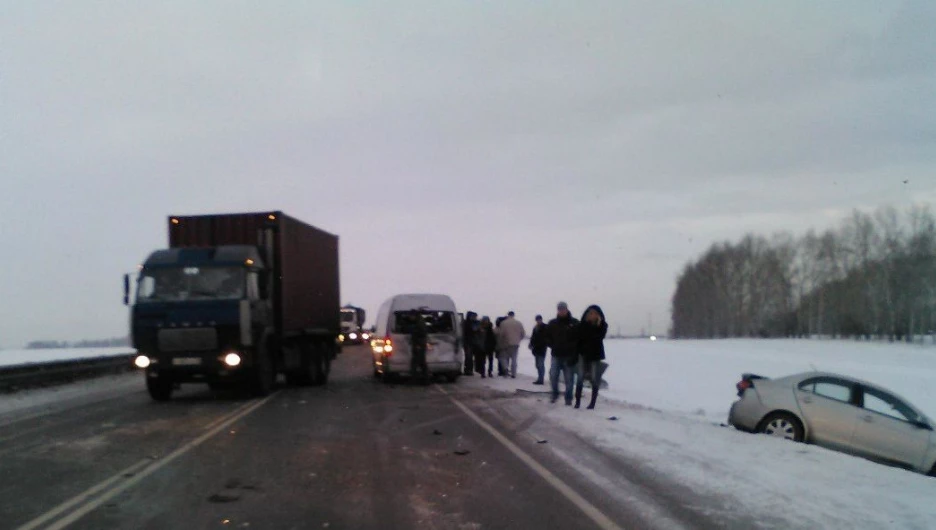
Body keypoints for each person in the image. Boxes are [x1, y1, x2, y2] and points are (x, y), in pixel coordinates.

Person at [546, 302, 579, 405]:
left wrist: (573, 348)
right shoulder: (552, 323)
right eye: (559, 309)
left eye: (563, 309)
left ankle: (568, 398)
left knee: (569, 379)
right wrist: (552, 344)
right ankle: (554, 394)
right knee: (553, 376)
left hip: (569, 356)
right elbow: (547, 337)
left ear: (567, 309)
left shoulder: (574, 322)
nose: (561, 311)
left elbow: (579, 338)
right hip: (556, 355)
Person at [575, 305, 608, 409]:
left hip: (595, 354)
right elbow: (580, 337)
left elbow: (599, 337)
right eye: (590, 313)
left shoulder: (602, 325)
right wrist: (587, 324)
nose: (592, 315)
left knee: (594, 378)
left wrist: (597, 325)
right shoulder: (582, 325)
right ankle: (577, 401)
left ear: (598, 315)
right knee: (580, 377)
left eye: (594, 313)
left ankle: (592, 403)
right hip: (582, 353)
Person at [498, 311, 526, 378]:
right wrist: (519, 339)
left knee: (502, 357)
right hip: (516, 343)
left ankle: (505, 368)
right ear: (514, 315)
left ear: (508, 315)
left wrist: (501, 342)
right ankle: (514, 374)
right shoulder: (519, 323)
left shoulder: (503, 323)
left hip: (506, 343)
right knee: (514, 359)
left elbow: (501, 334)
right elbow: (523, 334)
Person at [410, 310, 430, 384]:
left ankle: (415, 380)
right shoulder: (420, 321)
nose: (410, 318)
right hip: (420, 344)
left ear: (414, 316)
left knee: (416, 363)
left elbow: (420, 334)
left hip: (419, 345)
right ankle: (425, 380)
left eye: (411, 316)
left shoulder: (419, 323)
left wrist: (417, 344)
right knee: (421, 363)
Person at [528, 315, 548, 384]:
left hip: (542, 348)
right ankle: (540, 378)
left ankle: (541, 379)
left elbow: (546, 338)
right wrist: (531, 344)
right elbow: (533, 337)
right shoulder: (535, 328)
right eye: (537, 320)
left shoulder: (545, 327)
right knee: (537, 364)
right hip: (536, 348)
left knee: (540, 364)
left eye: (539, 320)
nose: (538, 321)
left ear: (541, 319)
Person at [461, 312, 481, 376]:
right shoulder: (468, 323)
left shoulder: (466, 323)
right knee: (469, 357)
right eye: (473, 316)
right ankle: (468, 370)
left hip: (471, 342)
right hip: (469, 342)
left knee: (470, 357)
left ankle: (469, 370)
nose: (474, 318)